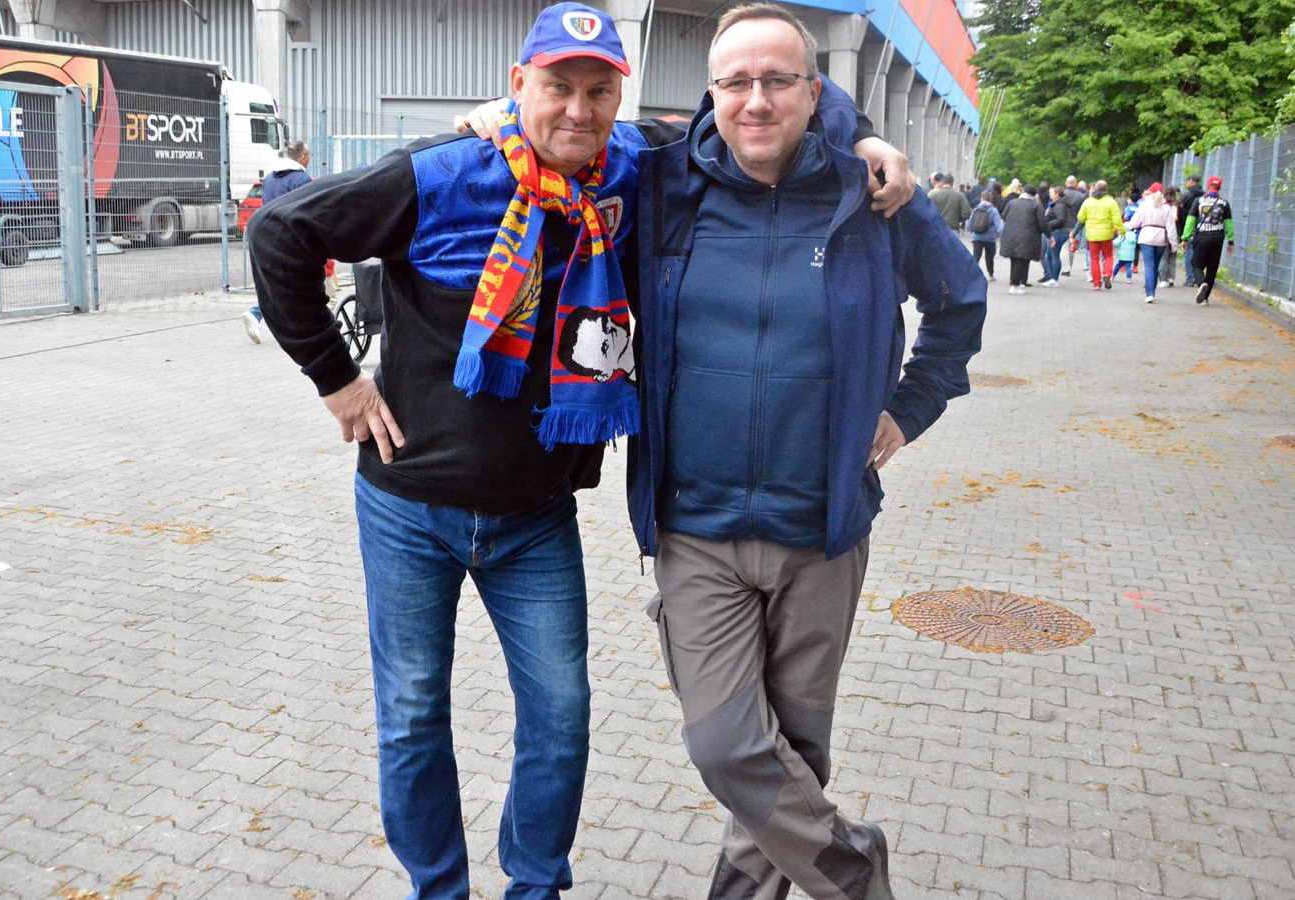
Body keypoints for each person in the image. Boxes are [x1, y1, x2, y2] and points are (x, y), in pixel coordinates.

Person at [251, 3, 918, 896]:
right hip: (410, 508)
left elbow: (757, 100)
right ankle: (438, 888)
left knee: (561, 720)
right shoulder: (443, 172)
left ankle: (534, 886)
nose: (578, 108)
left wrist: (864, 137)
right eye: (556, 86)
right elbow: (281, 232)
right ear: (517, 85)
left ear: (618, 98)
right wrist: (336, 379)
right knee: (412, 717)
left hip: (535, 517)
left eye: (598, 91)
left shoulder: (636, 170)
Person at [630, 5, 986, 898]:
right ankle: (852, 869)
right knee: (727, 745)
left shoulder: (872, 196)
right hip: (696, 527)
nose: (755, 100)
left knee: (795, 749)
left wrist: (907, 409)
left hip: (822, 527)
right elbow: (556, 138)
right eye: (735, 82)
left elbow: (960, 303)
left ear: (814, 91)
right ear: (711, 93)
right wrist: (491, 121)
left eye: (777, 80)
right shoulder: (661, 185)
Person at [242, 140, 325, 344]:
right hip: (292, 239)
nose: (310, 159)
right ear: (303, 158)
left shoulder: (270, 179)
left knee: (281, 282)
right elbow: (307, 211)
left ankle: (264, 316)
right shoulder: (302, 180)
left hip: (268, 235)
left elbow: (264, 206)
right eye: (309, 156)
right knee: (295, 282)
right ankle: (257, 313)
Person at [1181, 175, 1236, 305]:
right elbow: (1228, 223)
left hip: (1202, 236)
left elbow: (1190, 220)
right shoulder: (1224, 203)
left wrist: (1185, 237)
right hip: (1218, 238)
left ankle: (1201, 284)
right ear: (1219, 187)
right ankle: (1205, 298)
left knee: (1196, 264)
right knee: (1212, 268)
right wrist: (1231, 241)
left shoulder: (1199, 201)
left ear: (1208, 185)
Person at [1128, 182, 1179, 303]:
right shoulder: (1166, 207)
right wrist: (1174, 244)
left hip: (1146, 236)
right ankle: (1152, 291)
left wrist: (1127, 226)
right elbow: (1171, 228)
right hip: (1161, 238)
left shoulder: (1144, 205)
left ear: (1150, 192)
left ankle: (1150, 293)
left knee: (1149, 265)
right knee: (1155, 265)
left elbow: (1134, 223)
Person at [1000, 183, 1051, 294]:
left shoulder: (1012, 202)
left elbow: (1003, 216)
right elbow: (1043, 223)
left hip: (1010, 234)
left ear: (1023, 191)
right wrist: (1049, 236)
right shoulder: (1036, 205)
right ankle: (1015, 285)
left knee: (1014, 259)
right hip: (1028, 237)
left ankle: (1014, 282)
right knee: (1021, 261)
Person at [1078, 180, 1124, 290]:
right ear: (1106, 188)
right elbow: (1117, 219)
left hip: (1092, 235)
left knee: (1094, 259)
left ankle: (1097, 284)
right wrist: (1122, 231)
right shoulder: (1111, 202)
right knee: (1108, 256)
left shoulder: (1088, 202)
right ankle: (1107, 274)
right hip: (1106, 234)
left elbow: (1080, 217)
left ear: (1095, 189)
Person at [968, 189, 1003, 281]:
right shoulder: (993, 210)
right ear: (991, 199)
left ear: (981, 198)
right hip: (990, 238)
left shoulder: (976, 209)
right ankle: (990, 274)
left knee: (976, 255)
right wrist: (1000, 235)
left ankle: (971, 274)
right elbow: (999, 225)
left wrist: (972, 233)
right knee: (989, 257)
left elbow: (970, 223)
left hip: (976, 236)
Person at [1040, 184, 1071, 286]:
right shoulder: (1057, 204)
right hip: (1058, 231)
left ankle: (1054, 279)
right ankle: (1052, 278)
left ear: (1057, 194)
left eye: (1051, 193)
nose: (1049, 195)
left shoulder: (1059, 206)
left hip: (1058, 231)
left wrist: (1047, 225)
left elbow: (1060, 219)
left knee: (1054, 255)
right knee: (1049, 255)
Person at [1177, 174, 1205, 286]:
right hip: (1203, 228)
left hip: (1188, 227)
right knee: (1199, 253)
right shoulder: (1204, 195)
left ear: (1192, 181)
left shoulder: (1186, 195)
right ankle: (1199, 277)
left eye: (1187, 181)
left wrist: (1182, 232)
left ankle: (1190, 278)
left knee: (1188, 252)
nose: (1186, 183)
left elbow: (1179, 213)